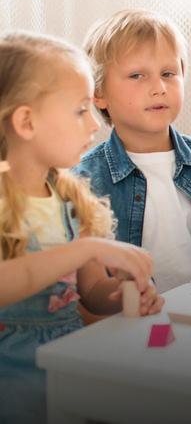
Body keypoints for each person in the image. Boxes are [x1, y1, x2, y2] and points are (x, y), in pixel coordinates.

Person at [0, 31, 161, 423]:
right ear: (26, 121)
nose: (94, 124)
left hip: (72, 359)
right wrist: (85, 250)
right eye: (79, 110)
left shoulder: (70, 198)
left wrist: (122, 292)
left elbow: (89, 292)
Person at [76, 9, 191, 293]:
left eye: (168, 73)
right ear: (98, 93)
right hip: (131, 325)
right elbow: (86, 291)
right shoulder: (83, 180)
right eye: (137, 75)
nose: (159, 87)